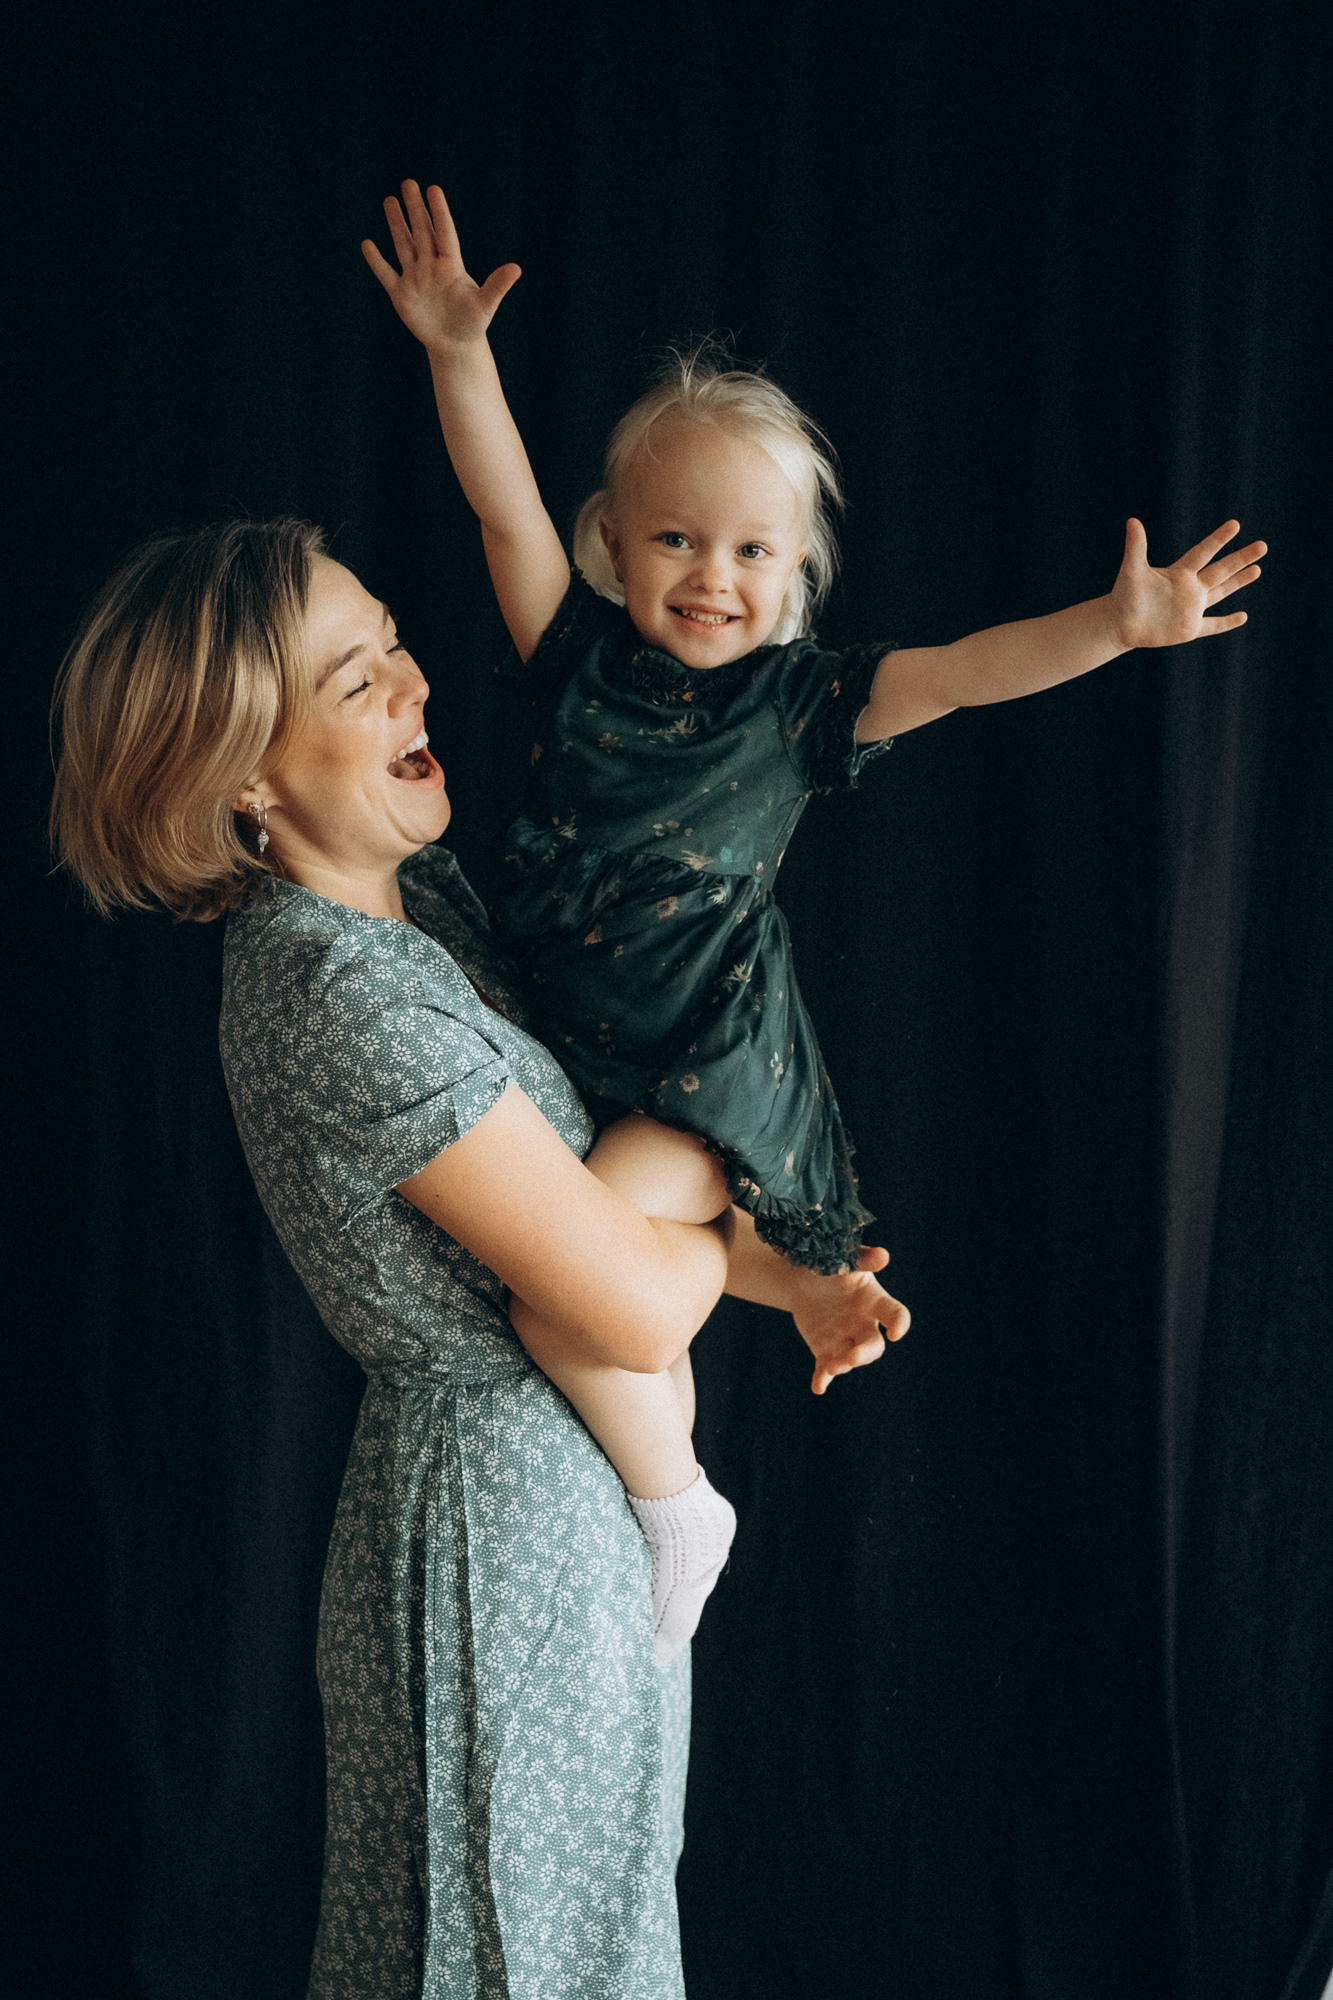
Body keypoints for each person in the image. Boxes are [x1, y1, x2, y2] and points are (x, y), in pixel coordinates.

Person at [361, 175, 1268, 1611]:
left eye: (750, 551)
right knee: (604, 1270)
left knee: (562, 1296)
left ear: (793, 575)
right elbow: (502, 511)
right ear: (616, 541)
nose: (709, 576)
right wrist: (459, 353)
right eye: (675, 539)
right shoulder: (575, 657)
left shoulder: (799, 706)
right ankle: (783, 1288)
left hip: (701, 1072)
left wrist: (1112, 626)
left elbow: (964, 673)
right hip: (565, 1045)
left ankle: (680, 1506)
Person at [49, 517, 904, 1999]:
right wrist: (724, 1132)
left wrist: (787, 1274)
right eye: (355, 678)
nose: (415, 684)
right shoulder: (337, 991)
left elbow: (577, 1213)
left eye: (394, 644)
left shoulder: (422, 913)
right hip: (496, 1549)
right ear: (242, 772)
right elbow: (626, 1302)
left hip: (566, 1523)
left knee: (581, 1950)